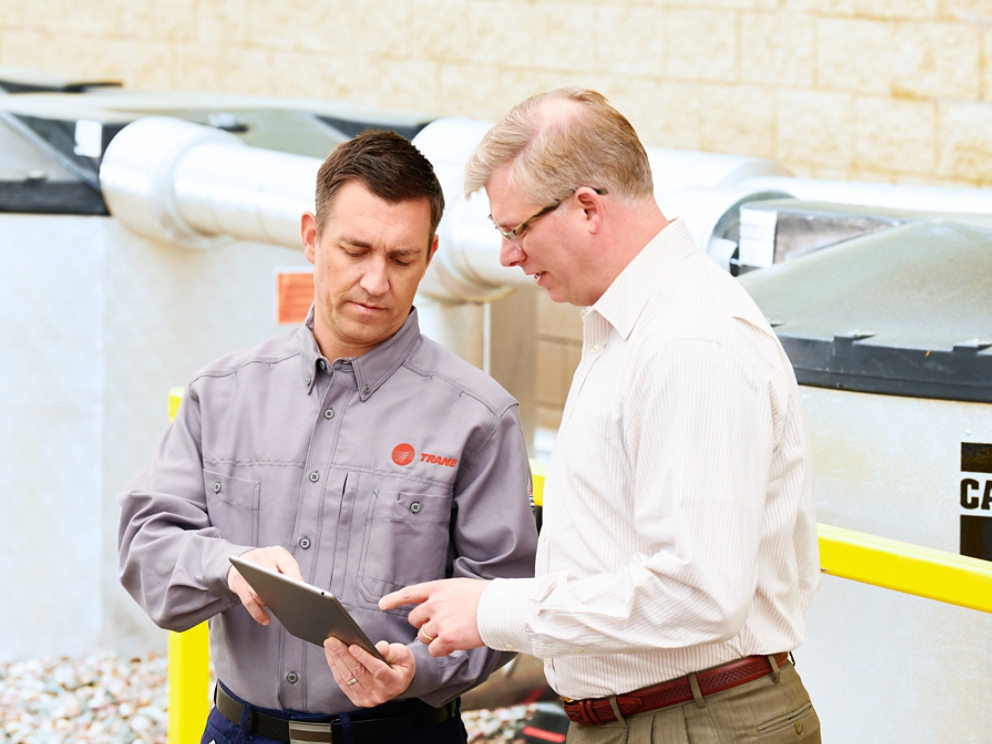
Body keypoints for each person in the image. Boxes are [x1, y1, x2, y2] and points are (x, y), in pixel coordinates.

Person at [380, 89, 822, 743]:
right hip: (656, 717)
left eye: (516, 229)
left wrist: (497, 609)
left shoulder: (687, 342)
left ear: (587, 206)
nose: (506, 255)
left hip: (694, 722)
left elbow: (697, 591)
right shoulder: (629, 328)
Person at [117, 130, 539, 744]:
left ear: (430, 255)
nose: (375, 281)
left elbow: (504, 598)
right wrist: (228, 566)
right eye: (356, 249)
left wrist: (417, 668)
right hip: (239, 731)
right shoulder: (224, 392)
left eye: (401, 259)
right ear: (312, 239)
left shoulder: (478, 417)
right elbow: (146, 544)